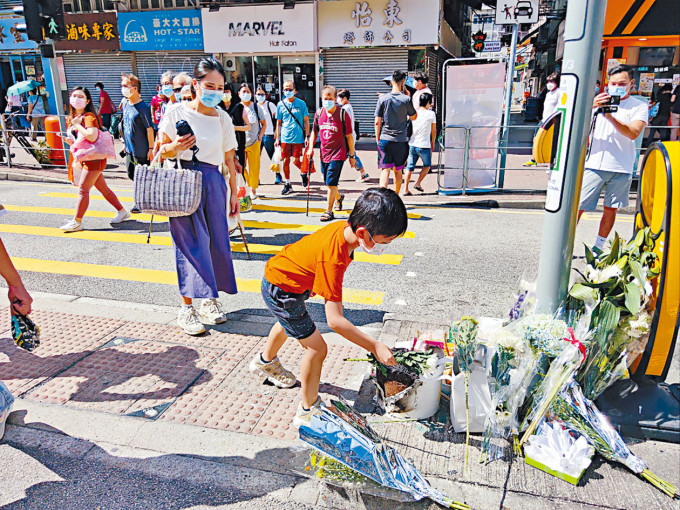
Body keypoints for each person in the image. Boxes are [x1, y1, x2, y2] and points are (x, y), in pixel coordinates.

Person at [251, 188, 404, 426]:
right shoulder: (334, 257)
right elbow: (335, 321)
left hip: (284, 279)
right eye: (385, 241)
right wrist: (374, 346)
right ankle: (308, 409)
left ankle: (265, 361)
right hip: (282, 289)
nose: (386, 246)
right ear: (363, 233)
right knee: (318, 349)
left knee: (288, 321)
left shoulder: (344, 229)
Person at [156, 57, 240, 336]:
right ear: (195, 85)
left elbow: (230, 159)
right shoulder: (175, 113)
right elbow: (159, 152)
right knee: (190, 244)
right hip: (183, 181)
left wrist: (234, 193)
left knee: (216, 243)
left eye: (220, 87)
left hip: (214, 182)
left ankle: (210, 300)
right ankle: (186, 307)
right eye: (209, 85)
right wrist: (174, 147)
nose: (214, 91)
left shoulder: (223, 118)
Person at [577, 65, 648, 253]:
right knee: (578, 206)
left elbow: (633, 133)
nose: (616, 87)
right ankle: (563, 244)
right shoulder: (596, 102)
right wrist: (590, 105)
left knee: (611, 209)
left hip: (622, 166)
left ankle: (598, 247)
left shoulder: (639, 106)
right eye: (613, 83)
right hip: (595, 164)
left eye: (622, 83)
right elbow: (573, 121)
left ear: (631, 84)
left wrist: (610, 117)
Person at [59, 87, 130, 233]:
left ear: (87, 101)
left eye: (80, 96)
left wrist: (78, 125)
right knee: (103, 189)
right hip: (87, 158)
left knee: (83, 190)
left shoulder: (88, 117)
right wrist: (70, 140)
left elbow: (91, 136)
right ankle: (122, 211)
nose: (76, 99)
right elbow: (82, 140)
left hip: (94, 160)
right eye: (74, 96)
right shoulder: (74, 117)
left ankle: (77, 221)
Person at [306, 85, 356, 221]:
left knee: (331, 183)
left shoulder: (342, 114)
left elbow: (349, 137)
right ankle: (339, 198)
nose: (327, 101)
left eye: (330, 98)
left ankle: (329, 211)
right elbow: (314, 132)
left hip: (338, 153)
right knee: (329, 183)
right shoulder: (319, 113)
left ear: (335, 99)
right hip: (324, 153)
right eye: (324, 98)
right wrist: (310, 148)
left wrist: (352, 156)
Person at [375, 70, 417, 195]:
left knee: (385, 170)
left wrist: (378, 140)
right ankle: (396, 197)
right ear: (403, 82)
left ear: (392, 81)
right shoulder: (406, 99)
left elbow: (377, 122)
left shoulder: (382, 99)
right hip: (401, 141)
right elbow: (414, 117)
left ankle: (382, 198)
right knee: (398, 170)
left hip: (385, 139)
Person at [120, 73, 154, 214]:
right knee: (131, 174)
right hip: (129, 149)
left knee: (141, 177)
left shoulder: (143, 108)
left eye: (125, 86)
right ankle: (144, 199)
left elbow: (149, 129)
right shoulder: (127, 104)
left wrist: (151, 148)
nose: (123, 89)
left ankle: (141, 202)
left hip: (141, 150)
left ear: (134, 88)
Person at [276, 81, 309, 195]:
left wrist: (307, 136)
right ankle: (287, 184)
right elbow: (278, 122)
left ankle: (304, 173)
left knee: (296, 161)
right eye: (285, 89)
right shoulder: (280, 104)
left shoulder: (301, 104)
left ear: (294, 90)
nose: (288, 91)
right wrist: (277, 137)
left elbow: (306, 121)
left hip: (298, 137)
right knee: (285, 160)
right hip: (285, 138)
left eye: (290, 89)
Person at [524, 73, 560, 166]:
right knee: (536, 138)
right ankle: (534, 159)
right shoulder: (548, 94)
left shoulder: (559, 93)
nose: (549, 83)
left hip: (551, 121)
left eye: (551, 81)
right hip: (544, 120)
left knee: (548, 140)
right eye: (548, 81)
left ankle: (545, 158)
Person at [404, 92, 436, 196]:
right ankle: (418, 183)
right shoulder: (431, 114)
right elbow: (434, 130)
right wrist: (433, 142)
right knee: (427, 165)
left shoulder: (413, 113)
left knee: (409, 168)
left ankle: (405, 189)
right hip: (424, 145)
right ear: (427, 102)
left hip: (412, 144)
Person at [239, 83, 266, 200]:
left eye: (248, 91)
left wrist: (259, 137)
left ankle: (253, 189)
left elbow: (264, 124)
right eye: (243, 92)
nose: (246, 94)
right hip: (240, 144)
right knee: (241, 167)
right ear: (239, 94)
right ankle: (246, 185)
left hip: (254, 142)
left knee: (254, 168)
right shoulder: (237, 107)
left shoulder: (256, 107)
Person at [337, 89, 369, 183]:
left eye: (339, 98)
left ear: (345, 98)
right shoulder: (348, 107)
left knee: (351, 155)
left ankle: (363, 174)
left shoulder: (345, 108)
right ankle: (363, 173)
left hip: (347, 136)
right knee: (350, 154)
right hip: (349, 135)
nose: (337, 100)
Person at [256, 87, 282, 185]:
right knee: (256, 158)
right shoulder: (255, 106)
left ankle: (278, 175)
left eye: (262, 94)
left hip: (269, 134)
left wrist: (276, 131)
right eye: (258, 94)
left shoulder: (269, 105)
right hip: (257, 136)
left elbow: (278, 119)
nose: (260, 96)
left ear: (266, 95)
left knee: (273, 157)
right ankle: (256, 177)